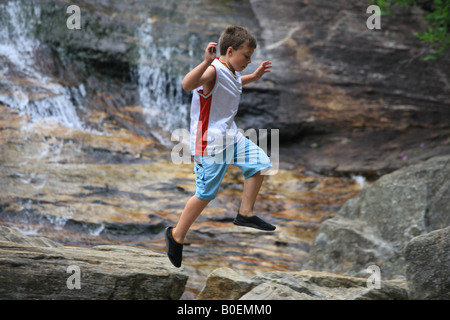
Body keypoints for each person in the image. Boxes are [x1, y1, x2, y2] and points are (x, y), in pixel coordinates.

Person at [165, 25, 275, 268]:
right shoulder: (213, 71)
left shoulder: (232, 71)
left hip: (230, 137)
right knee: (205, 194)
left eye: (250, 57)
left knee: (261, 163)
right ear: (229, 50)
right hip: (209, 144)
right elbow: (187, 84)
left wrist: (254, 76)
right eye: (246, 56)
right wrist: (206, 62)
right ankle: (176, 236)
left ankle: (245, 213)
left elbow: (234, 83)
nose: (248, 61)